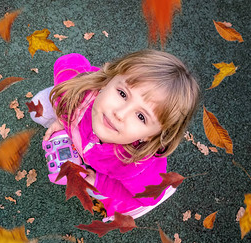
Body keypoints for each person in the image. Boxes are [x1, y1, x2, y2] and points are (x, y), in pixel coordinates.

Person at [29, 50, 200, 221]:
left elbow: (148, 196)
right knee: (38, 108)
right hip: (83, 101)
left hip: (101, 168)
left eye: (141, 117)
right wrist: (64, 118)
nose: (120, 113)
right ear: (107, 81)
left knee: (95, 191)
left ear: (151, 136)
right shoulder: (81, 93)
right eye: (123, 94)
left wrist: (100, 183)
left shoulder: (137, 166)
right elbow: (69, 61)